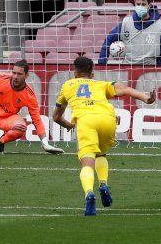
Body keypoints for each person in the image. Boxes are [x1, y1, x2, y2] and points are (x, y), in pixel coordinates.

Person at [51, 56, 155, 216]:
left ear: (75, 73)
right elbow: (125, 89)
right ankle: (104, 184)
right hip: (107, 118)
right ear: (92, 74)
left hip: (86, 120)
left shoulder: (67, 86)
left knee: (87, 162)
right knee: (101, 154)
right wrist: (146, 98)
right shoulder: (100, 84)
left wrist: (70, 125)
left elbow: (56, 117)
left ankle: (89, 193)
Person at [98, 0, 161, 66]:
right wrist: (102, 64)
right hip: (128, 67)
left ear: (149, 6)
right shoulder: (126, 23)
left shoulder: (160, 26)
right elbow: (108, 40)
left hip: (150, 69)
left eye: (143, 4)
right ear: (135, 5)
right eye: (138, 4)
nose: (140, 7)